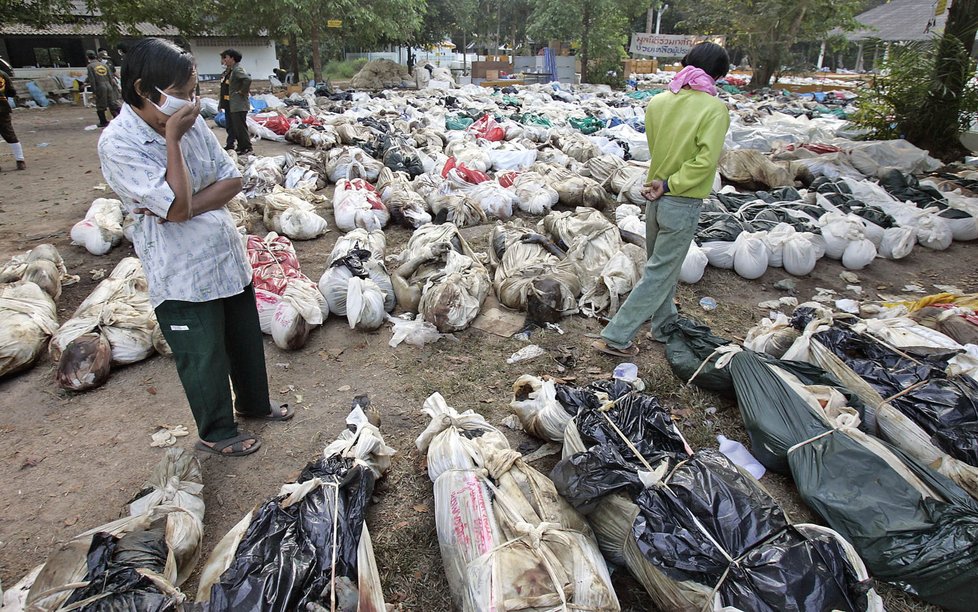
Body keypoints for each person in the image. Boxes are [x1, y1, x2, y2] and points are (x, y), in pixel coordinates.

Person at [97, 38, 293, 457]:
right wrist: (172, 142)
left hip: (222, 249)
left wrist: (182, 209)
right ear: (142, 90)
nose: (189, 103)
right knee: (201, 353)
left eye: (191, 93)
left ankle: (254, 405)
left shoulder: (191, 121)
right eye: (181, 94)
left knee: (242, 336)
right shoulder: (119, 143)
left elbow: (230, 180)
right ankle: (217, 430)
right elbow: (176, 202)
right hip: (180, 266)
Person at [592, 42, 731, 358]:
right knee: (660, 272)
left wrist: (662, 183)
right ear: (718, 75)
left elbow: (659, 150)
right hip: (678, 200)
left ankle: (664, 323)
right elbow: (704, 162)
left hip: (654, 198)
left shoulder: (658, 101)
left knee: (661, 269)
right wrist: (672, 184)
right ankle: (616, 335)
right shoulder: (714, 109)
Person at [219, 48, 252, 155]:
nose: (224, 60)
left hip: (238, 104)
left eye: (226, 57)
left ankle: (246, 147)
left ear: (232, 58)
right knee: (232, 126)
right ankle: (235, 145)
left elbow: (247, 79)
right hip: (230, 104)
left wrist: (242, 91)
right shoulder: (229, 71)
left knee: (240, 127)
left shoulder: (238, 70)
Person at [0, 59, 26, 171]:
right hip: (2, 108)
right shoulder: (2, 74)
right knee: (10, 134)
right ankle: (20, 161)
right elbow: (12, 92)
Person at [86, 50, 121, 127]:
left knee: (100, 105)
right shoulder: (104, 65)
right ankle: (119, 119)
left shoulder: (90, 66)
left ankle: (103, 121)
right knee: (112, 103)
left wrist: (94, 91)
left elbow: (92, 80)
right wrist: (111, 86)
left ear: (87, 57)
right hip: (108, 85)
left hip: (100, 86)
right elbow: (110, 77)